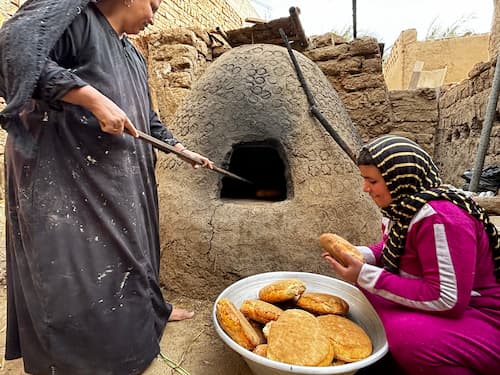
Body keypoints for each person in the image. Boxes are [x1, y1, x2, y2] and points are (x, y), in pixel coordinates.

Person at [0, 0, 214, 374]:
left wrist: (180, 149)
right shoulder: (77, 22)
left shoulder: (133, 55)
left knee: (135, 251)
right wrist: (91, 98)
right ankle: (85, 360)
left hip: (120, 174)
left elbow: (146, 118)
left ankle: (149, 318)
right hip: (65, 172)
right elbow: (12, 53)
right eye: (153, 5)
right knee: (81, 266)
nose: (153, 17)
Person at [321, 135, 500, 375]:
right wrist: (359, 256)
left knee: (412, 340)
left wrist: (366, 275)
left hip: (479, 313)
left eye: (372, 181)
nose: (365, 189)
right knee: (355, 297)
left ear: (399, 180)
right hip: (443, 303)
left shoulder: (441, 219)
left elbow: (448, 298)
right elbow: (392, 249)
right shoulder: (402, 209)